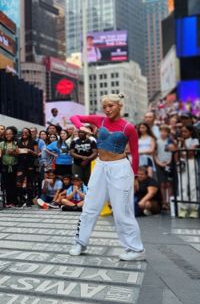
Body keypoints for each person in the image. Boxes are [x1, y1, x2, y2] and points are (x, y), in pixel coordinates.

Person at [68, 93, 146, 261]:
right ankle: (80, 242)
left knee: (122, 210)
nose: (107, 109)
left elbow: (135, 153)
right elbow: (74, 117)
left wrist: (134, 176)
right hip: (100, 166)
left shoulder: (128, 127)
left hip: (120, 169)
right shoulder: (100, 120)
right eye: (105, 107)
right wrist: (80, 126)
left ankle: (135, 249)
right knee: (90, 205)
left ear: (119, 106)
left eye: (111, 106)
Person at [176, 124, 200, 219]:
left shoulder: (195, 140)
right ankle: (183, 208)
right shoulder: (179, 142)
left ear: (190, 132)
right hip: (182, 163)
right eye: (182, 132)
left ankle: (194, 209)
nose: (183, 133)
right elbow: (177, 154)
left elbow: (190, 153)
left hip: (191, 162)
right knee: (182, 186)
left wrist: (184, 143)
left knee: (193, 186)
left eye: (185, 131)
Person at [0, 127, 19, 208]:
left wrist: (14, 152)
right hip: (5, 166)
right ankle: (8, 202)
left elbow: (20, 153)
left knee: (14, 184)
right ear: (4, 135)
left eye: (10, 134)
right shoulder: (1, 144)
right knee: (7, 184)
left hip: (15, 166)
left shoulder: (16, 143)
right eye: (7, 134)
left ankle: (15, 202)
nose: (8, 135)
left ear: (13, 135)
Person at [154, 126, 175, 211]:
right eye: (161, 131)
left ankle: (170, 201)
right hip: (159, 164)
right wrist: (158, 162)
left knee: (169, 183)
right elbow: (154, 153)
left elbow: (173, 152)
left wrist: (169, 161)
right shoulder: (157, 141)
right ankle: (164, 201)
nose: (163, 133)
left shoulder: (170, 141)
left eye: (165, 131)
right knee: (162, 184)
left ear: (168, 133)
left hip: (169, 164)